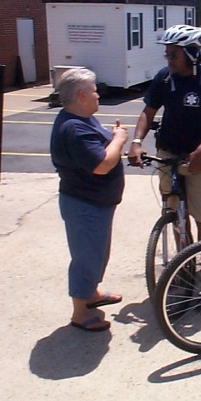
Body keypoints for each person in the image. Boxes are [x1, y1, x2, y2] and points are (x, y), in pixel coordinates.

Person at [127, 24, 201, 247]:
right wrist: (136, 142)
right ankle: (184, 270)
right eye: (167, 54)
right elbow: (148, 113)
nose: (169, 59)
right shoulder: (164, 78)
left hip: (200, 157)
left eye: (174, 54)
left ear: (192, 53)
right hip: (168, 154)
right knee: (177, 217)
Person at [50, 68, 129, 332]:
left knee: (96, 254)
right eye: (95, 91)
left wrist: (111, 139)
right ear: (82, 95)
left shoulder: (83, 119)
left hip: (97, 203)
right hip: (85, 205)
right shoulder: (74, 128)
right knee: (86, 257)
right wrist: (118, 139)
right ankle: (80, 312)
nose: (98, 95)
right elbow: (102, 165)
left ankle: (91, 293)